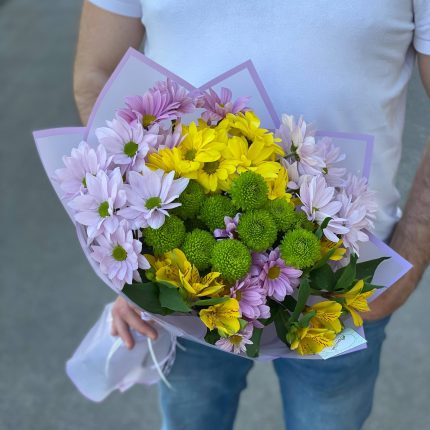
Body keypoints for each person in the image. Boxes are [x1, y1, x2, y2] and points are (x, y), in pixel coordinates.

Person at [73, 1, 430, 429]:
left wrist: (409, 255)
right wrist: (130, 244)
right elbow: (96, 74)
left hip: (345, 280)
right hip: (183, 278)